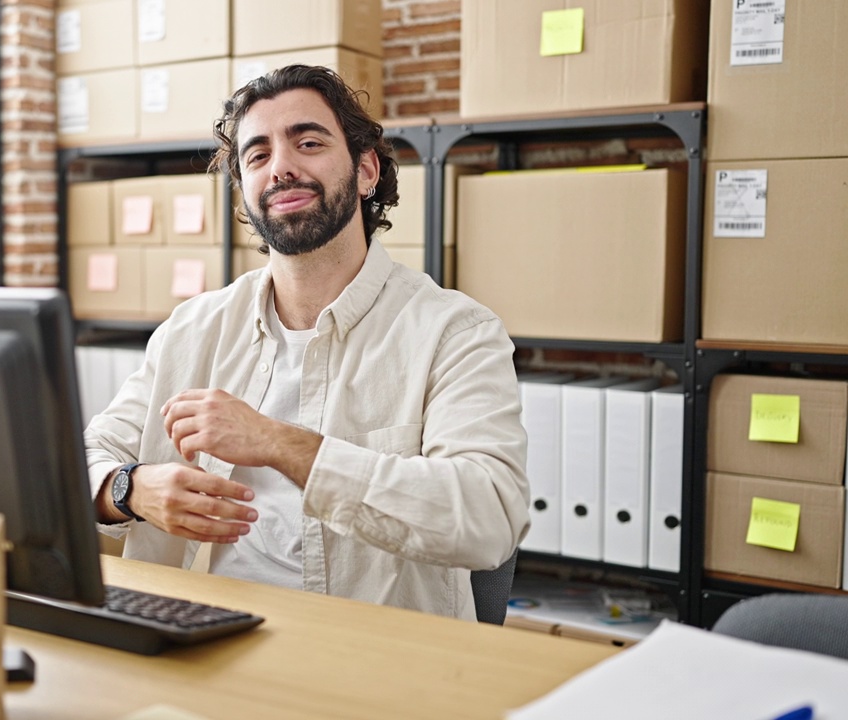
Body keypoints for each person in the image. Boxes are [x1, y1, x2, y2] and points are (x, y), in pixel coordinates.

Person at [84, 64, 529, 620]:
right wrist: (131, 488)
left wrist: (278, 443)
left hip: (372, 665)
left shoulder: (454, 332)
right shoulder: (191, 330)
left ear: (367, 170)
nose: (282, 169)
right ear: (244, 193)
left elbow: (489, 518)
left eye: (309, 142)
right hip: (201, 637)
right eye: (258, 155)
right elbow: (83, 458)